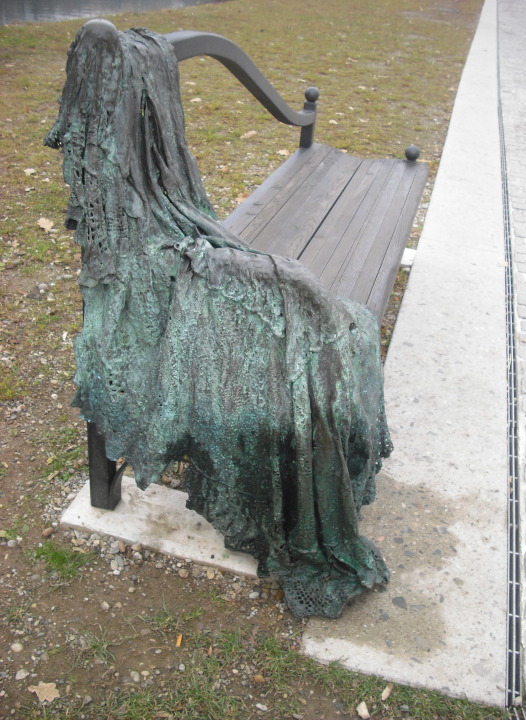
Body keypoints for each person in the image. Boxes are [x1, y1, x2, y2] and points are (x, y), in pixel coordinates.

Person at [45, 20, 392, 618]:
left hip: (183, 229)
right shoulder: (108, 182)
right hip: (158, 253)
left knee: (310, 307)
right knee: (298, 301)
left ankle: (311, 450)